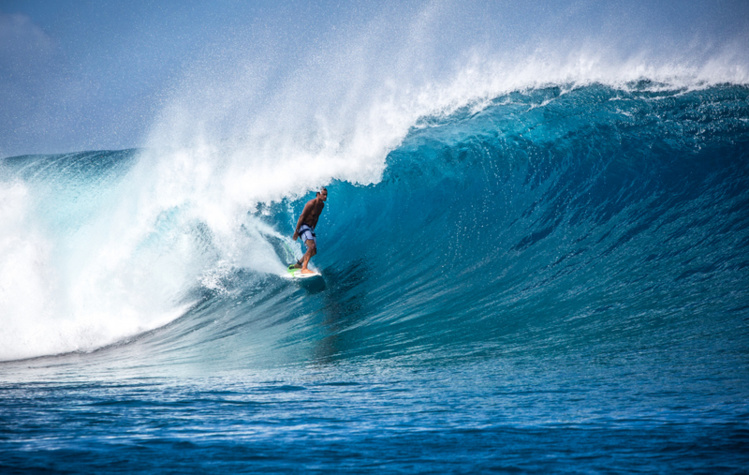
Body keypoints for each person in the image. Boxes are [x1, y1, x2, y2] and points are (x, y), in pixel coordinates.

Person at [291, 187, 328, 274]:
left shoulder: (322, 205)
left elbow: (316, 217)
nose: (325, 197)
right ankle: (304, 268)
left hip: (310, 228)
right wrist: (296, 231)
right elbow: (302, 216)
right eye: (323, 194)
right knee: (311, 246)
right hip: (303, 226)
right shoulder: (311, 203)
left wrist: (312, 229)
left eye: (326, 195)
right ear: (318, 194)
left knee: (314, 251)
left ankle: (299, 264)